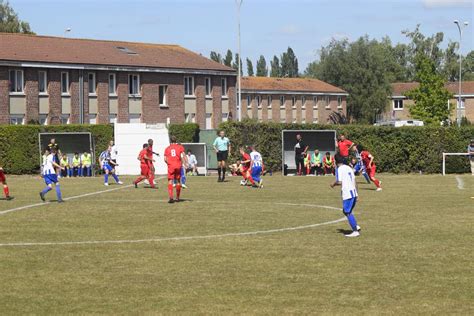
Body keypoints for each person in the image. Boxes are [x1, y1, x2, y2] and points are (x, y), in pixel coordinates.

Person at [330, 154, 361, 237]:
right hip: (353, 192)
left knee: (347, 212)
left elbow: (339, 181)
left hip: (347, 193)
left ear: (336, 161)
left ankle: (355, 231)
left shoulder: (339, 169)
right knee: (346, 211)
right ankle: (356, 226)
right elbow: (355, 181)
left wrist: (333, 184)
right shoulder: (349, 168)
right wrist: (357, 194)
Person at [164, 136, 185, 203]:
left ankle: (171, 197)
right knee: (178, 181)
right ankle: (178, 198)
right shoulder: (180, 147)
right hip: (178, 165)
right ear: (176, 141)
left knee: (170, 181)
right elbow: (183, 155)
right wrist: (185, 163)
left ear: (170, 141)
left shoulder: (167, 148)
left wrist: (168, 163)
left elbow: (165, 159)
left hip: (171, 166)